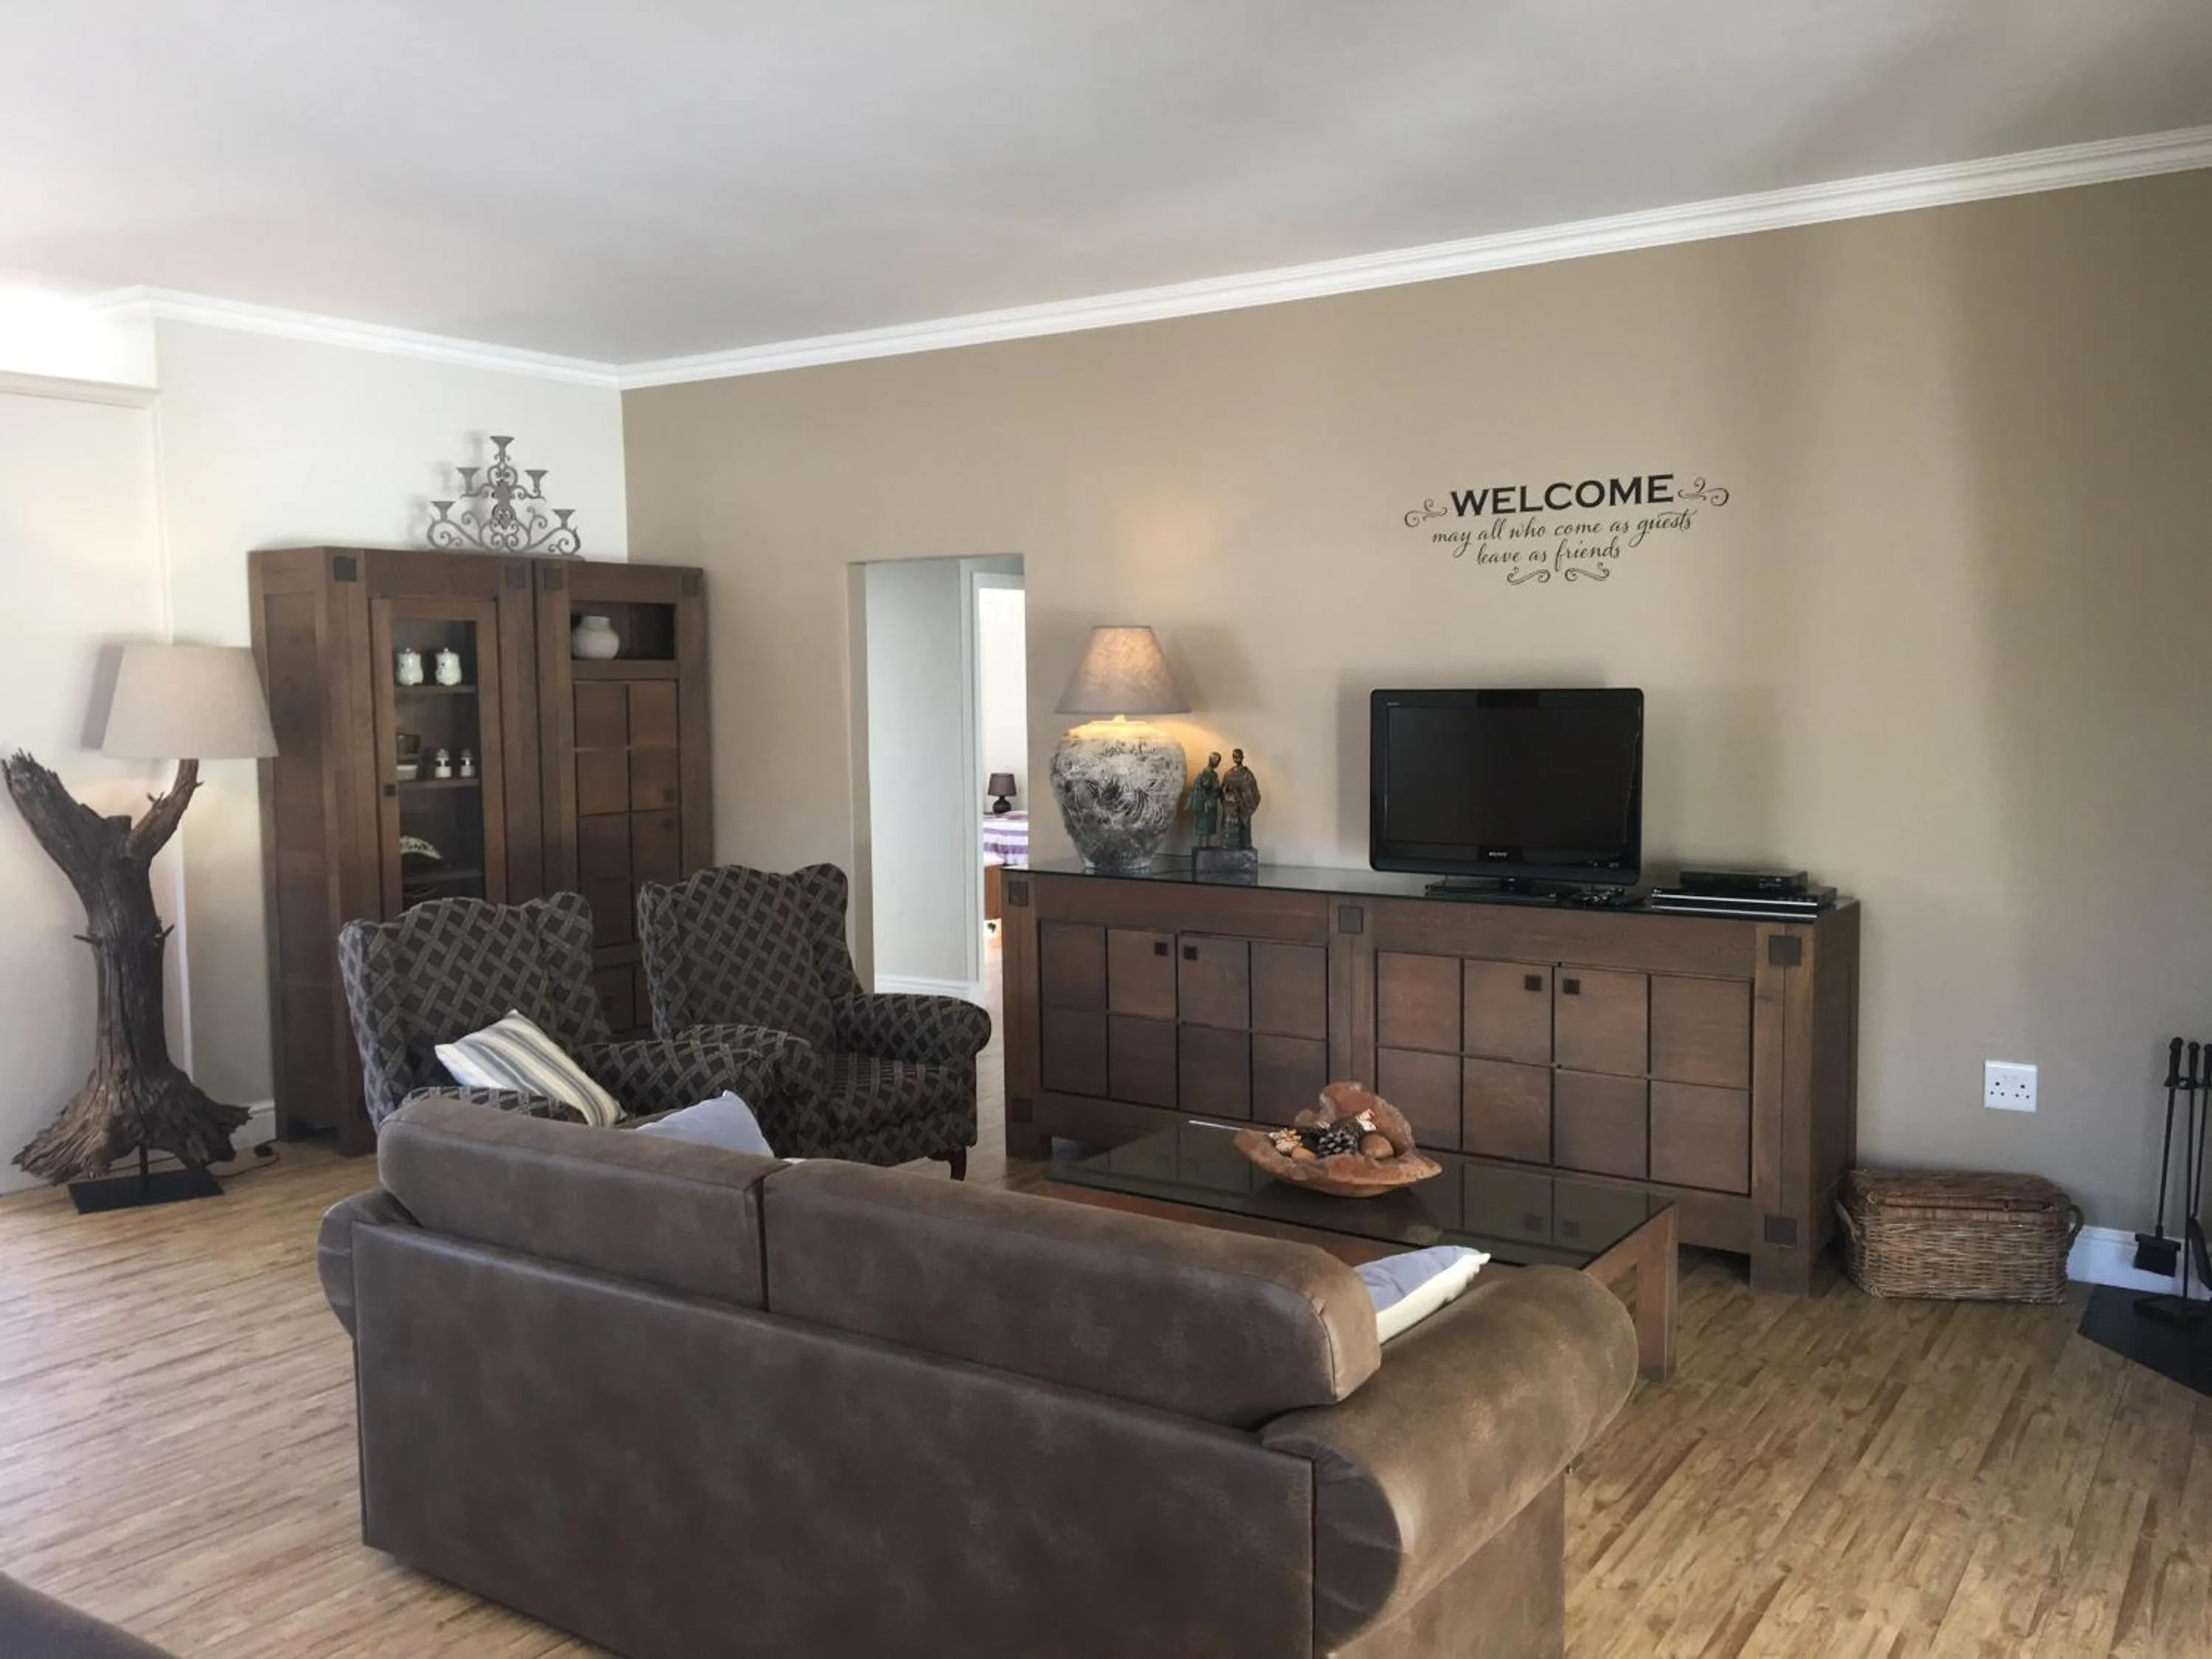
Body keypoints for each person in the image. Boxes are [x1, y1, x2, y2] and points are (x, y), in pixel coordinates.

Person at [1219, 748, 1261, 852]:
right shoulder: (1229, 774)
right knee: (1229, 823)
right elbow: (1223, 790)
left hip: (1243, 805)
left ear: (1242, 757)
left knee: (1244, 825)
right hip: (1231, 807)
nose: (1236, 758)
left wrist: (1241, 796)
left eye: (1238, 756)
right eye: (1234, 756)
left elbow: (1253, 791)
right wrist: (1227, 795)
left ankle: (1245, 844)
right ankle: (1228, 845)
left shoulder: (1247, 775)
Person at [1186, 751, 1222, 847]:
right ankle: (1201, 845)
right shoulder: (1206, 773)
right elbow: (1206, 786)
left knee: (1209, 826)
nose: (1218, 764)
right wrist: (1213, 790)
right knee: (1203, 825)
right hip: (1206, 803)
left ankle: (1206, 845)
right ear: (1212, 761)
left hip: (1211, 803)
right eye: (1217, 761)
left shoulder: (1213, 774)